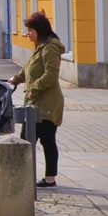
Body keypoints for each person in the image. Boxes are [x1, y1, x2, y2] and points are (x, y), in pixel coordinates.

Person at [10, 11, 65, 189]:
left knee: (46, 140)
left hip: (47, 103)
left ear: (39, 30)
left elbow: (51, 75)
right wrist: (16, 78)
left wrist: (34, 87)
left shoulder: (50, 48)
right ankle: (24, 174)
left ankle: (49, 179)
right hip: (35, 102)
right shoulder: (39, 46)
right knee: (27, 138)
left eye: (30, 30)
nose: (27, 34)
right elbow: (28, 68)